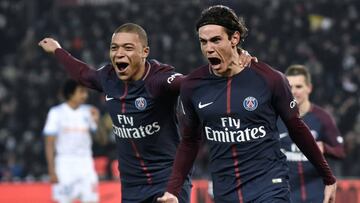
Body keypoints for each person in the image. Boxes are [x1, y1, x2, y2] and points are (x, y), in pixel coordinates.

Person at [39, 23, 256, 202]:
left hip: (168, 180)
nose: (119, 54)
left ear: (145, 52)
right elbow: (82, 74)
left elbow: (188, 82)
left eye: (127, 48)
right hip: (132, 186)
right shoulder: (108, 78)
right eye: (114, 48)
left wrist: (232, 62)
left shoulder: (158, 79)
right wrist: (57, 49)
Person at [157, 5, 337, 203]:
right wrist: (172, 190)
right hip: (225, 190)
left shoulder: (270, 79)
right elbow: (190, 141)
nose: (209, 48)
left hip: (269, 186)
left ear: (234, 38)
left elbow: (297, 128)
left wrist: (327, 177)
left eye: (216, 40)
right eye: (203, 42)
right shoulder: (192, 86)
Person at [277, 65, 345, 202]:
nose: (294, 92)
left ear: (309, 88)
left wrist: (324, 148)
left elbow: (340, 151)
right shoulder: (276, 119)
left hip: (316, 195)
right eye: (290, 87)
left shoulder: (322, 117)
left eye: (299, 86)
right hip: (285, 196)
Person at [43, 79, 100, 203]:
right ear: (70, 94)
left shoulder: (90, 111)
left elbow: (100, 141)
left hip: (85, 163)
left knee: (91, 200)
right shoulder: (56, 113)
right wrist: (51, 170)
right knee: (64, 200)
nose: (85, 95)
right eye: (81, 91)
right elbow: (49, 143)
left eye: (85, 91)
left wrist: (96, 122)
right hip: (64, 163)